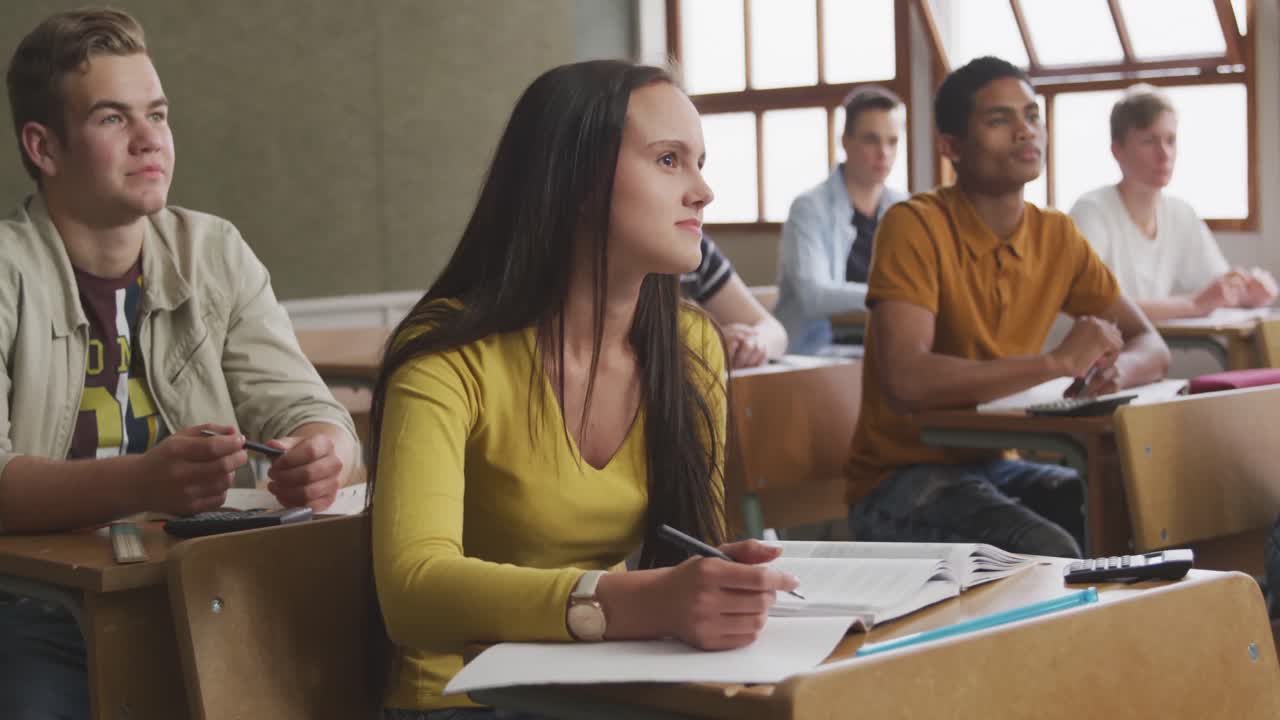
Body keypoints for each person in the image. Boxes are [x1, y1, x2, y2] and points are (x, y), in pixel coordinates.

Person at [368, 60, 799, 718]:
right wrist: (641, 601)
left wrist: (720, 583)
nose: (703, 191)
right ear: (575, 183)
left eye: (700, 161)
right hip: (461, 701)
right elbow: (412, 590)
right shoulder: (448, 353)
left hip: (607, 687)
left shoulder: (692, 346)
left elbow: (685, 544)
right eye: (668, 160)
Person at [0, 9, 359, 717]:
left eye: (157, 114)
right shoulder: (7, 270)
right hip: (33, 611)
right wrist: (141, 480)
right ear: (43, 147)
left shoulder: (214, 251)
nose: (150, 140)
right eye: (112, 119)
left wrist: (324, 453)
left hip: (202, 597)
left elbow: (311, 413)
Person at [846, 57, 1170, 559]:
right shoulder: (914, 225)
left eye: (1032, 115)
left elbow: (1150, 343)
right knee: (1049, 548)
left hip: (992, 463)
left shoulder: (1055, 235)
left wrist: (1114, 374)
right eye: (1000, 121)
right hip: (900, 477)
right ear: (950, 146)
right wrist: (1055, 363)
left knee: (1127, 510)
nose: (1025, 131)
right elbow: (907, 378)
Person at [1069, 84, 1276, 322]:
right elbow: (1093, 305)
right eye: (1149, 141)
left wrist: (1248, 292)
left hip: (1141, 351)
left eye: (1170, 140)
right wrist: (1193, 304)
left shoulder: (1180, 213)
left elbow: (1218, 288)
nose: (1164, 153)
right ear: (1117, 151)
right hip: (1083, 356)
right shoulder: (1091, 212)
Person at [774, 85, 909, 354]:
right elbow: (815, 297)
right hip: (816, 352)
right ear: (845, 141)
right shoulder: (808, 208)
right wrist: (892, 295)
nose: (884, 152)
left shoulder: (905, 208)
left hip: (885, 345)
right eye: (871, 140)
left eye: (892, 141)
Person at [680, 233, 787, 368]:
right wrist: (709, 344)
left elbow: (774, 330)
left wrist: (749, 345)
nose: (703, 210)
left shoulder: (699, 249)